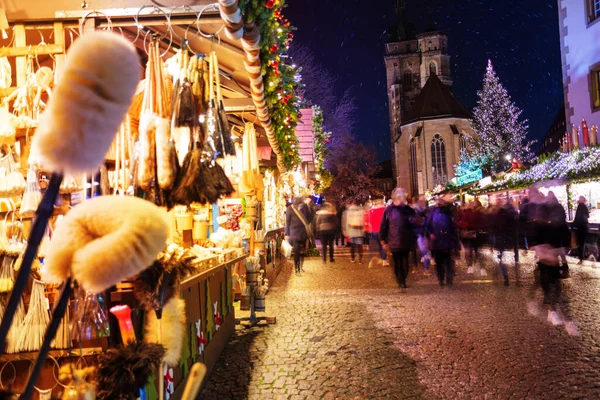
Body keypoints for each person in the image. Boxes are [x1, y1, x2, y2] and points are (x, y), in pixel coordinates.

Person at [380, 188, 416, 288]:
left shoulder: (408, 210)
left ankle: (403, 278)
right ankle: (400, 280)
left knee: (405, 262)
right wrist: (383, 240)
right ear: (396, 197)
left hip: (405, 240)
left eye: (403, 196)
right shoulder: (388, 210)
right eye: (400, 196)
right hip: (394, 241)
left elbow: (414, 224)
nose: (402, 199)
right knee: (397, 262)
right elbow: (384, 226)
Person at [425, 196, 459, 287]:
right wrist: (430, 234)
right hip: (439, 240)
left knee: (445, 262)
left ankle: (446, 279)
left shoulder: (448, 212)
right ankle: (443, 279)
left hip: (445, 240)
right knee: (442, 262)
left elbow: (453, 227)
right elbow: (428, 226)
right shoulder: (434, 213)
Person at [494, 199, 519, 286]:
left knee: (501, 259)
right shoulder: (510, 215)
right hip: (509, 239)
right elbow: (515, 227)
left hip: (501, 239)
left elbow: (495, 229)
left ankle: (505, 276)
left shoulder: (498, 216)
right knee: (513, 258)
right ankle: (515, 277)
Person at [285, 196, 312, 275]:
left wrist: (287, 233)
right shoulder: (305, 207)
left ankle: (297, 268)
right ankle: (300, 266)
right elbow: (310, 219)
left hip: (294, 232)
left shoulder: (290, 208)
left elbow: (287, 222)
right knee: (302, 250)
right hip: (303, 232)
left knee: (296, 251)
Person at [455, 200, 482, 275]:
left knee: (476, 250)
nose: (471, 204)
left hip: (475, 233)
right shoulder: (464, 212)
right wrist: (463, 225)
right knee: (468, 250)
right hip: (467, 233)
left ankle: (477, 264)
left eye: (473, 203)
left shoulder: (477, 212)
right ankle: (470, 266)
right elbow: (457, 221)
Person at [365, 201, 388, 266]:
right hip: (382, 230)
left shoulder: (371, 211)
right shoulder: (384, 209)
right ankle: (384, 260)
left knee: (379, 245)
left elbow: (369, 221)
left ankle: (382, 258)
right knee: (383, 244)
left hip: (373, 231)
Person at [412, 197, 431, 272]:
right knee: (423, 251)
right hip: (419, 233)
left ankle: (424, 268)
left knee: (424, 251)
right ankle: (420, 267)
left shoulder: (425, 211)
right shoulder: (420, 211)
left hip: (421, 233)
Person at [573, 196, 589, 264]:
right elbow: (587, 216)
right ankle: (582, 257)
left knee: (579, 242)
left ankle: (581, 257)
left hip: (580, 227)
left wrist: (573, 225)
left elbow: (577, 217)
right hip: (584, 226)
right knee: (582, 242)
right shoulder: (584, 206)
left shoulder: (580, 206)